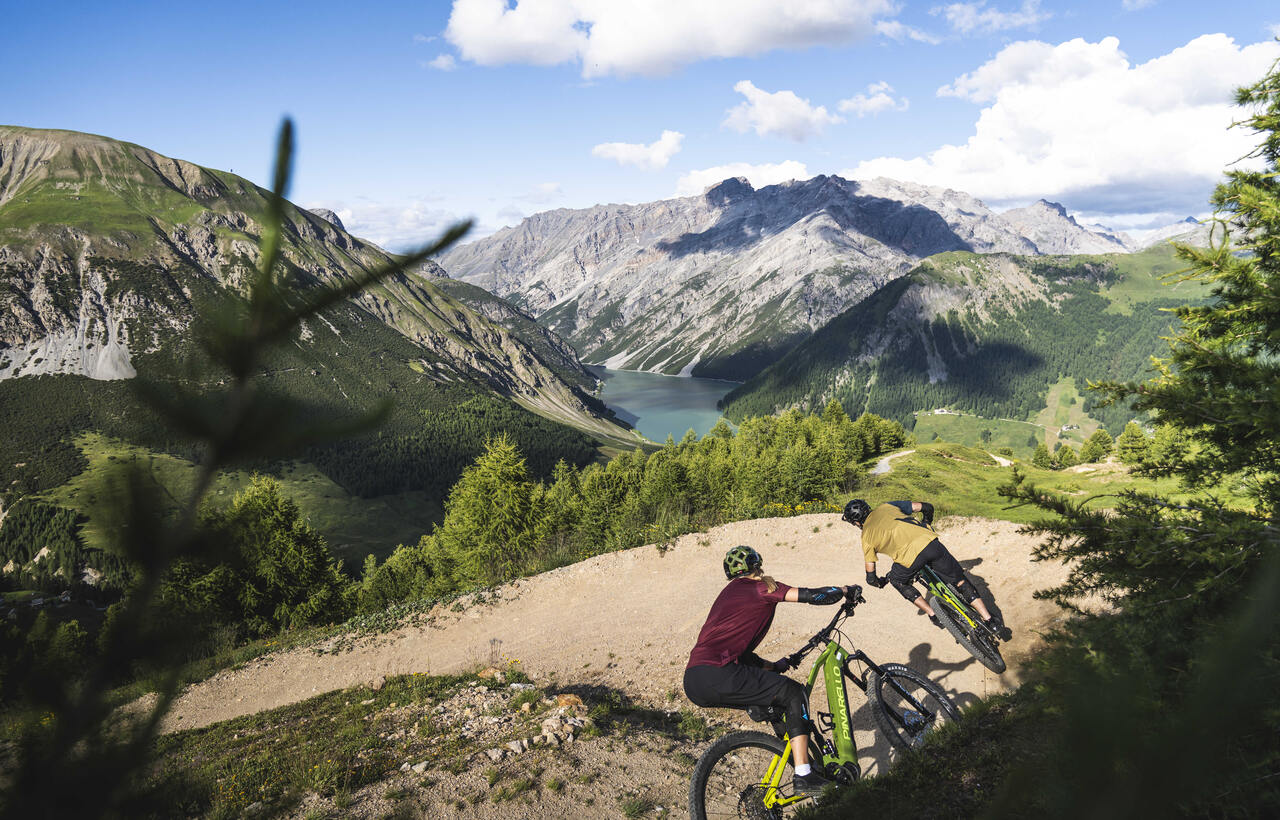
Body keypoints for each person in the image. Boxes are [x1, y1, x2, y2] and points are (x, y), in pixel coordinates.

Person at [684, 545, 848, 795]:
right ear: (757, 565)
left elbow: (741, 653)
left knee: (778, 702)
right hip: (719, 672)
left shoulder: (728, 595)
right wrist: (845, 590)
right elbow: (813, 596)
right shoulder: (760, 587)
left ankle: (802, 762)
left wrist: (774, 666)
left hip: (696, 678)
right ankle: (804, 775)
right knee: (794, 693)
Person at [841, 499, 1006, 635]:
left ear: (856, 522)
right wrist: (926, 522)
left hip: (909, 560)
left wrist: (881, 582)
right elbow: (926, 507)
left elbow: (870, 576)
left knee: (898, 580)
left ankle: (934, 614)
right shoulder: (887, 506)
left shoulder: (866, 537)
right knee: (960, 581)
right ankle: (990, 621)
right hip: (929, 543)